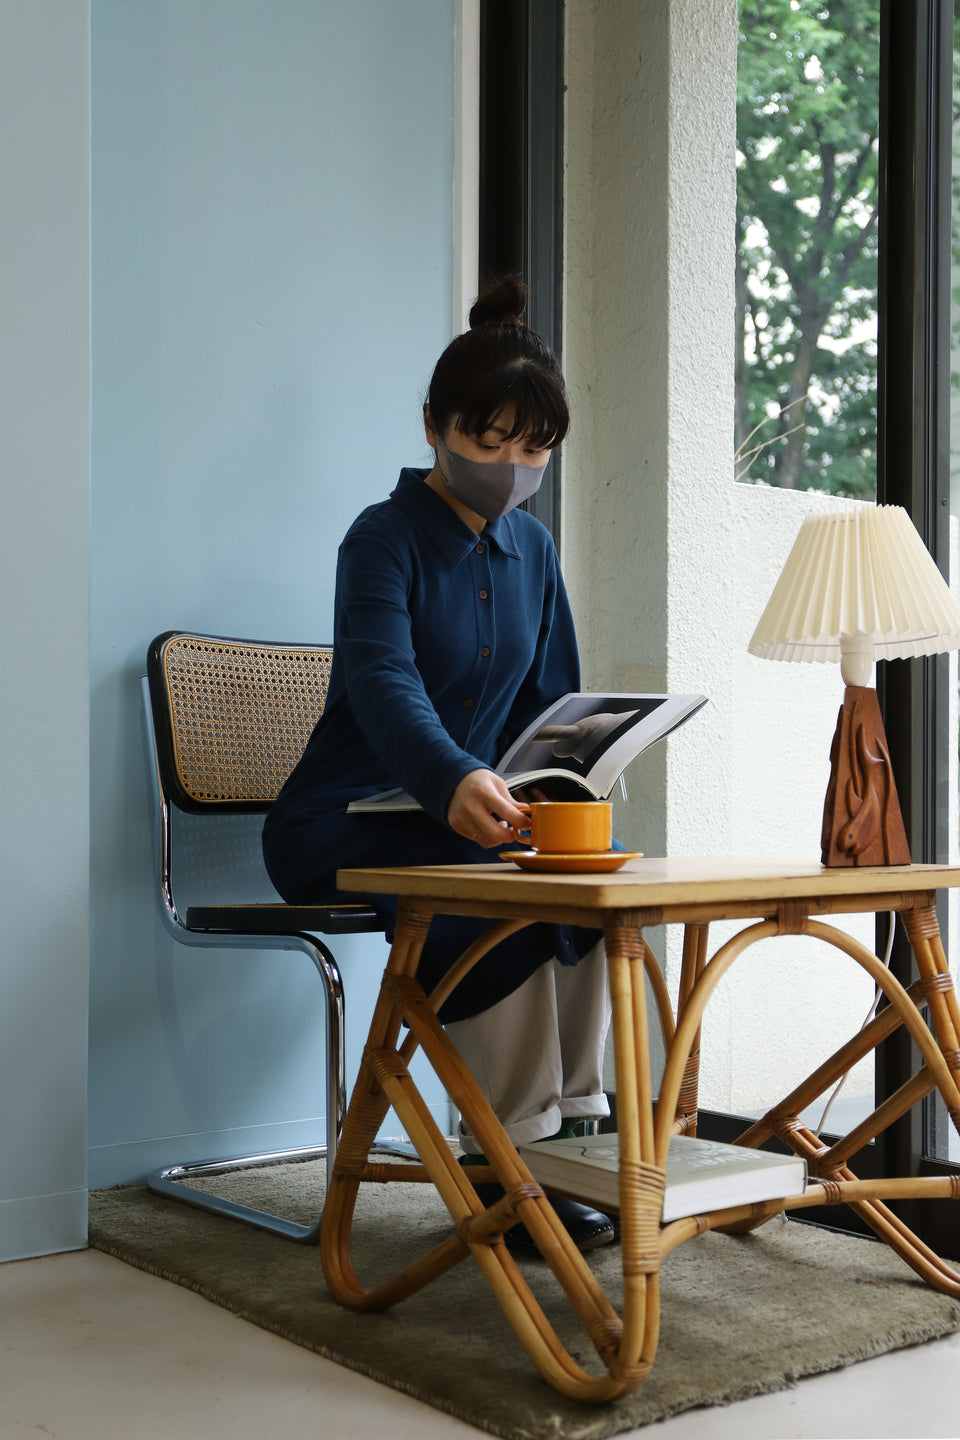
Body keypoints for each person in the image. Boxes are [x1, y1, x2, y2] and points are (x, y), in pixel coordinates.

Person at [263, 276, 615, 1252]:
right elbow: (382, 683)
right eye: (487, 441)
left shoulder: (533, 552)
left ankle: (569, 1144)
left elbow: (551, 703)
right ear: (433, 425)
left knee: (593, 881)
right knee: (482, 897)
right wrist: (455, 776)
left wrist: (560, 793)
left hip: (458, 818)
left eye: (533, 448)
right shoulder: (381, 541)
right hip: (335, 822)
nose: (510, 465)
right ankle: (504, 1168)